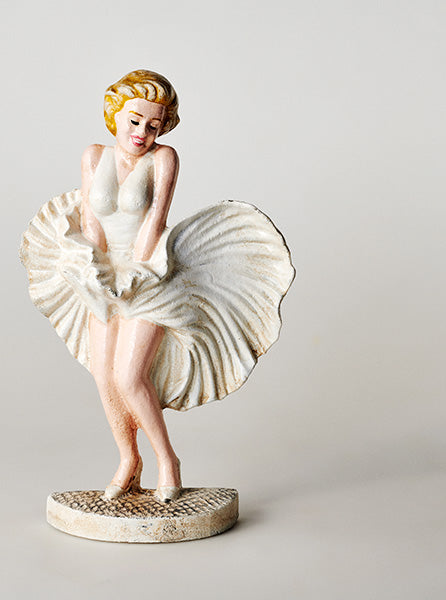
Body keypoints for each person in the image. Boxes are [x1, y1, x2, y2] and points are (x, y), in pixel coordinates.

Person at [20, 70, 294, 503]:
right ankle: (128, 460)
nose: (142, 133)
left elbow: (155, 220)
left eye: (154, 124)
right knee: (104, 377)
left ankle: (168, 461)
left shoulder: (163, 159)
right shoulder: (93, 156)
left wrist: (134, 275)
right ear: (115, 114)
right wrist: (96, 270)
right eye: (135, 121)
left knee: (130, 377)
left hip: (148, 275)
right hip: (101, 273)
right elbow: (91, 220)